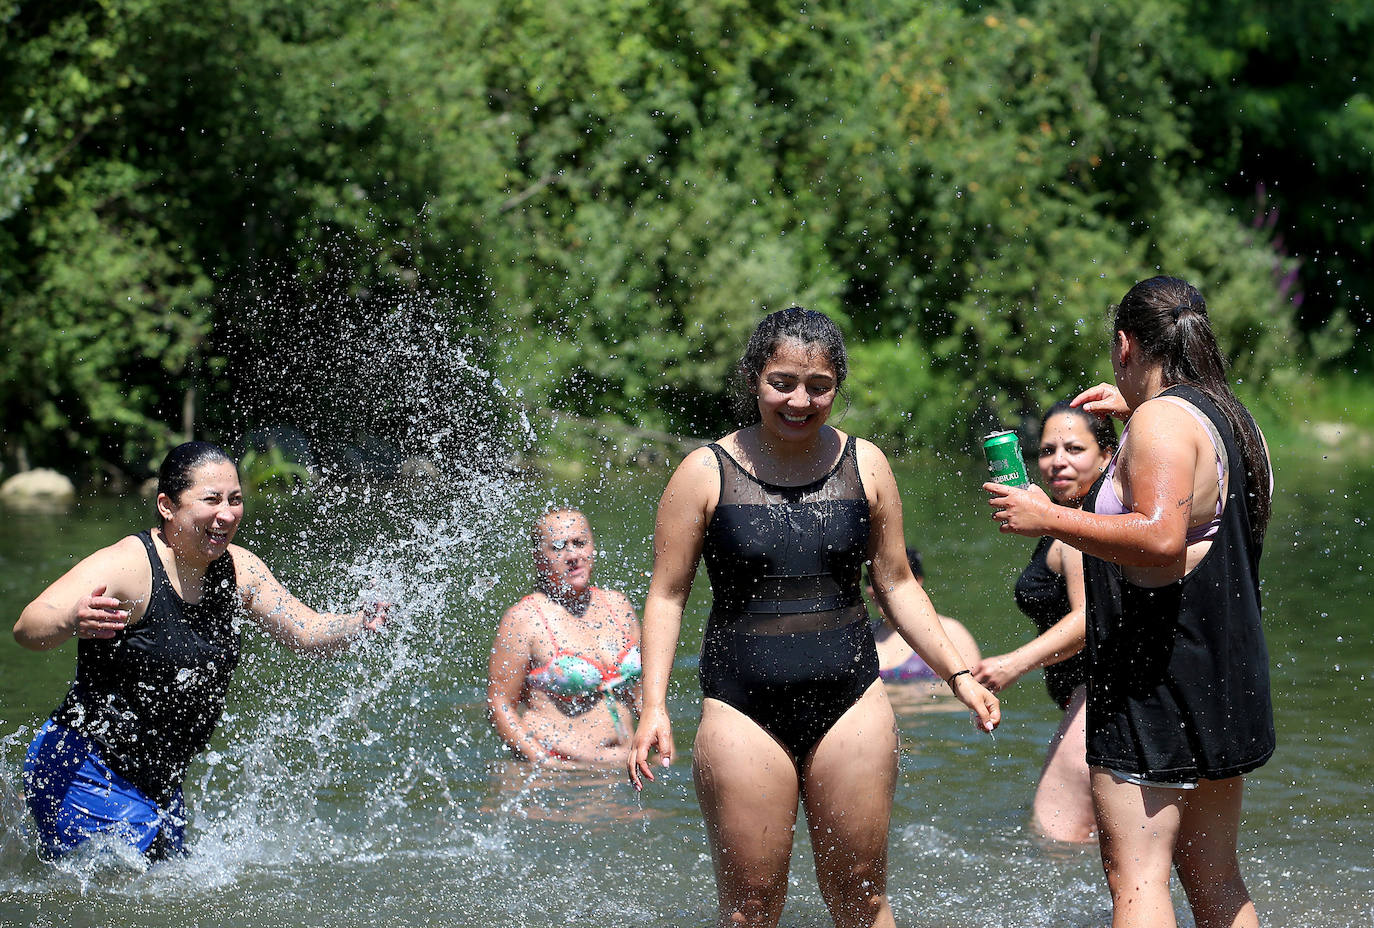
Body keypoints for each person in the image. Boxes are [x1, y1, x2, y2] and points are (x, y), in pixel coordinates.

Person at [628, 307, 999, 928]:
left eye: (819, 386)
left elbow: (898, 583)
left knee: (861, 899)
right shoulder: (702, 472)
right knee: (750, 908)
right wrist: (654, 707)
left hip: (851, 700)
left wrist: (959, 676)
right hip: (740, 706)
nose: (800, 400)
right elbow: (667, 596)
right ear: (754, 380)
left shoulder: (867, 464)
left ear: (836, 387)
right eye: (783, 383)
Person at [986, 276, 1274, 928]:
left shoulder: (1163, 422)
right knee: (1216, 877)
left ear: (1125, 344)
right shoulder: (1230, 416)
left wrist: (1047, 517)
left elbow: (1162, 536)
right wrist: (1139, 411)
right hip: (1225, 668)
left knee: (1137, 879)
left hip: (1156, 674)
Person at [13, 441, 388, 862]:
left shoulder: (240, 568)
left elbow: (306, 632)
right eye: (211, 500)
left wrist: (360, 622)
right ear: (167, 506)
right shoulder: (129, 567)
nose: (226, 514)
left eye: (235, 500)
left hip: (161, 782)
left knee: (166, 896)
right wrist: (71, 621)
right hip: (84, 770)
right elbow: (29, 625)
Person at [973, 401, 1115, 843]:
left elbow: (1088, 620)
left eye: (1075, 448)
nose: (1058, 461)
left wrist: (1013, 664)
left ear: (1107, 457)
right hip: (1101, 699)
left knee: (1056, 838)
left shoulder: (1080, 527)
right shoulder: (1084, 520)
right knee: (1100, 844)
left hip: (1100, 699)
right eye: (1048, 449)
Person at [487, 507, 641, 766]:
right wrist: (545, 762)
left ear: (592, 547)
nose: (573, 555)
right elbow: (500, 704)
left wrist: (660, 746)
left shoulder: (618, 606)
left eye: (579, 543)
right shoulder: (524, 619)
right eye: (558, 547)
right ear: (539, 559)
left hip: (625, 769)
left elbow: (642, 695)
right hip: (558, 777)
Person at [871, 547, 981, 699]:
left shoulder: (950, 631)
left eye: (892, 577)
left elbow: (975, 691)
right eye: (871, 579)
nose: (879, 586)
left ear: (917, 580)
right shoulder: (860, 634)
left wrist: (898, 694)